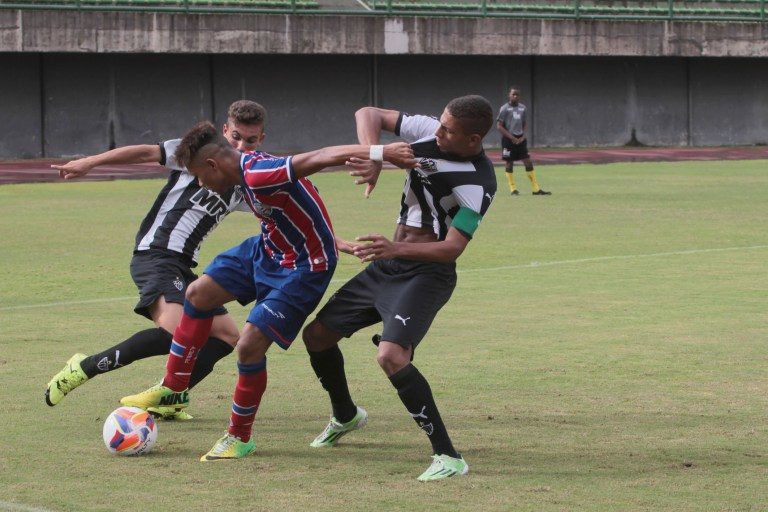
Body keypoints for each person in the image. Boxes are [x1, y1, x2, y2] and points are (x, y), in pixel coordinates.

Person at [120, 121, 417, 461]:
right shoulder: (237, 170)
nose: (200, 184)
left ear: (213, 165)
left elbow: (322, 155)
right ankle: (173, 388)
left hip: (305, 267)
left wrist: (382, 152)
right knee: (198, 293)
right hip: (269, 248)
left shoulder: (259, 173)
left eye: (199, 176)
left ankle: (239, 437)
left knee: (248, 346)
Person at [301, 95, 497, 481]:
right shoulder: (429, 131)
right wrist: (375, 156)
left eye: (448, 130)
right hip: (388, 264)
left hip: (427, 274)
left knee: (391, 356)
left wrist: (395, 248)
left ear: (473, 139)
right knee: (317, 336)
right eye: (440, 124)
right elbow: (368, 113)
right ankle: (345, 415)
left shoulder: (478, 183)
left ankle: (448, 456)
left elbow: (452, 248)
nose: (438, 133)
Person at [44, 100, 268, 420]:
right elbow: (144, 153)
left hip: (183, 266)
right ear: (225, 130)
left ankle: (171, 397)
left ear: (261, 139)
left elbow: (278, 210)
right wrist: (90, 162)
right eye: (236, 136)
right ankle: (83, 367)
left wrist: (328, 238)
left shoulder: (246, 178)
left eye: (250, 140)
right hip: (155, 255)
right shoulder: (199, 151)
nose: (241, 145)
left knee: (227, 337)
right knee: (179, 333)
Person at [497, 86, 551, 196]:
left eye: (517, 95)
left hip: (520, 139)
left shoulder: (523, 108)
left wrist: (523, 136)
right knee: (509, 162)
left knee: (527, 161)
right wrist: (511, 137)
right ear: (509, 95)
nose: (515, 96)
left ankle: (536, 189)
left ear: (519, 96)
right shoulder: (504, 108)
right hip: (508, 140)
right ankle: (513, 189)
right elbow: (499, 126)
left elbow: (525, 123)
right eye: (513, 94)